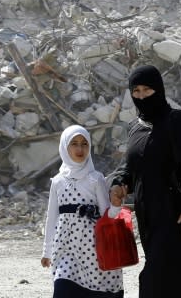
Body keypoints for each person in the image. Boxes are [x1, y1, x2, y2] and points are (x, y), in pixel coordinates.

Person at [108, 65, 181, 298]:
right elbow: (131, 166)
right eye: (136, 91)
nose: (142, 96)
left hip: (177, 216)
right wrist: (119, 181)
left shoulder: (178, 121)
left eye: (147, 90)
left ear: (160, 89)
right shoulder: (136, 127)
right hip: (148, 219)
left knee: (163, 282)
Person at [41, 125, 124, 298]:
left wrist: (116, 206)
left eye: (84, 144)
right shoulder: (57, 182)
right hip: (66, 248)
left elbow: (106, 214)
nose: (80, 149)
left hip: (93, 248)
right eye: (74, 144)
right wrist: (46, 252)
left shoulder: (96, 178)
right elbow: (52, 218)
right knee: (63, 285)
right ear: (65, 146)